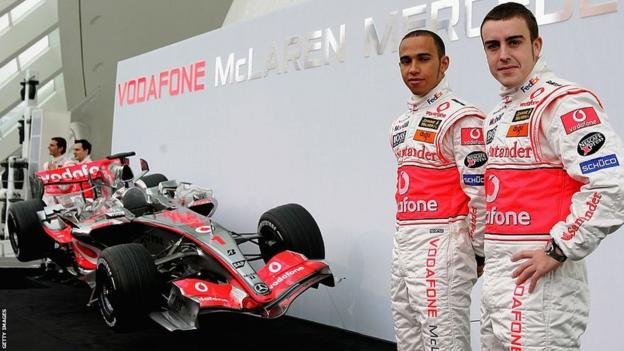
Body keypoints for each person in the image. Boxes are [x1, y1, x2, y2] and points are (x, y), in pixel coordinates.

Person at [479, 3, 624, 350]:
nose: (503, 55)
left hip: (543, 285)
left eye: (514, 42)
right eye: (493, 46)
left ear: (536, 46)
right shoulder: (498, 114)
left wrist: (559, 249)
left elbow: (611, 187)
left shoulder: (564, 102)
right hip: (500, 278)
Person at [389, 30, 486, 350]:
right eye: (405, 61)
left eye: (423, 59)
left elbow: (481, 192)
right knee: (408, 336)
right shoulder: (401, 122)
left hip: (442, 242)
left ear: (444, 64)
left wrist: (481, 250)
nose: (413, 68)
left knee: (443, 339)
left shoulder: (462, 116)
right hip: (404, 240)